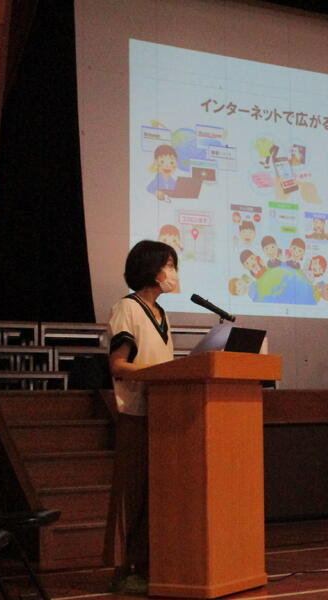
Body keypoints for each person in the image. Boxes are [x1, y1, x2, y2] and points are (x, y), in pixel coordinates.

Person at [103, 240, 179, 594]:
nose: (172, 273)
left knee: (157, 494)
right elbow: (118, 365)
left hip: (163, 413)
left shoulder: (163, 314)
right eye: (168, 265)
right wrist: (157, 375)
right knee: (133, 494)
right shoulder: (128, 308)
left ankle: (153, 563)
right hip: (135, 412)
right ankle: (125, 569)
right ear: (150, 268)